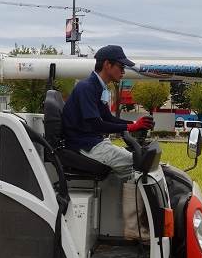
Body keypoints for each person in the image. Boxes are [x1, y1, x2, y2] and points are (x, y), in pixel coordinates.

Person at [61, 45, 154, 179]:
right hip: (84, 146)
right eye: (121, 67)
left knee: (136, 161)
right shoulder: (86, 88)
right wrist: (131, 126)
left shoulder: (99, 88)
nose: (123, 72)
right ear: (107, 65)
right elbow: (96, 124)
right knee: (138, 163)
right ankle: (129, 198)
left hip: (93, 142)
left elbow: (108, 118)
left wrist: (135, 123)